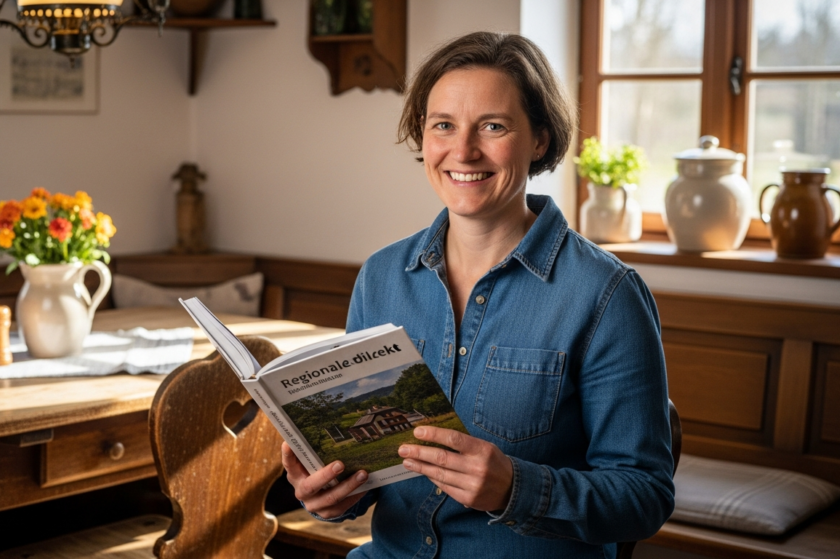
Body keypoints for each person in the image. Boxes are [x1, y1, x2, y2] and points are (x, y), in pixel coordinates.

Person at [281, 31, 675, 558]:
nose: (463, 151)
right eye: (443, 125)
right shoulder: (381, 277)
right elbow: (367, 471)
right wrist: (328, 494)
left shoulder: (606, 295)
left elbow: (644, 497)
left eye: (493, 126)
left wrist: (515, 488)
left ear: (539, 139)